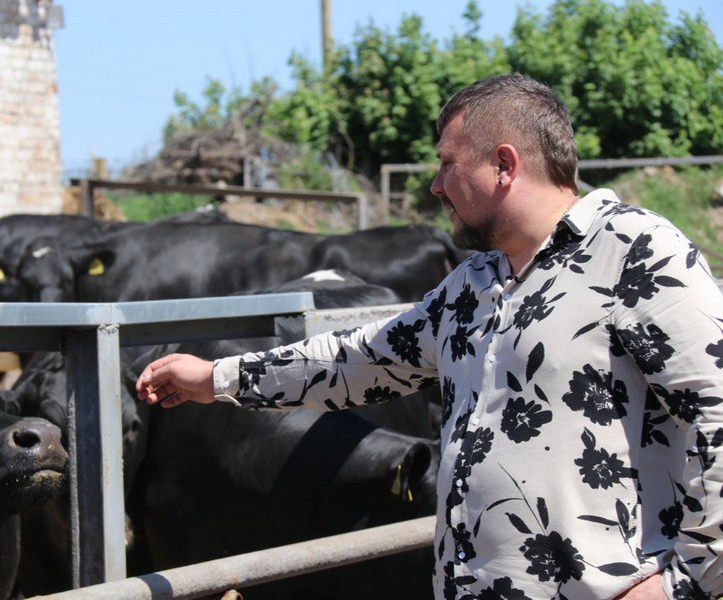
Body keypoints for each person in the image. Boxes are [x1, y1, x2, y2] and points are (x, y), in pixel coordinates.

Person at [135, 74, 722, 599]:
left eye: (447, 163)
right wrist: (217, 378)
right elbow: (359, 360)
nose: (436, 186)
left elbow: (718, 412)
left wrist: (688, 583)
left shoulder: (635, 253)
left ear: (504, 165)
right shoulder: (475, 282)